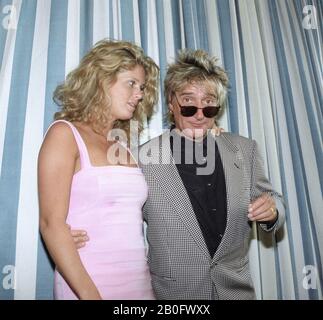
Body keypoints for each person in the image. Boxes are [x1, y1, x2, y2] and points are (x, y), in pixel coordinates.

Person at [73, 49, 285, 300]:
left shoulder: (244, 149)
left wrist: (272, 213)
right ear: (172, 103)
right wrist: (68, 232)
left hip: (236, 292)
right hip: (175, 296)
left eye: (208, 105)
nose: (198, 115)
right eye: (188, 104)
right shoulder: (139, 160)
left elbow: (272, 200)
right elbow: (114, 212)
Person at [38, 39, 159, 300]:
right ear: (103, 80)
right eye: (131, 83)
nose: (138, 94)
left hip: (139, 285)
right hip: (89, 284)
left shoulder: (123, 146)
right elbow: (50, 224)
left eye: (142, 87)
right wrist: (91, 296)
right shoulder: (65, 134)